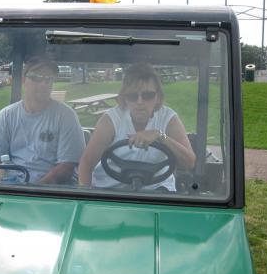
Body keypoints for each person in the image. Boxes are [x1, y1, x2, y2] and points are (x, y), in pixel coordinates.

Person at [78, 63, 196, 191]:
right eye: (133, 96)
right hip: (111, 190)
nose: (140, 102)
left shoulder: (168, 118)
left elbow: (189, 163)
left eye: (147, 95)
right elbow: (86, 164)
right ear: (125, 98)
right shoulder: (111, 120)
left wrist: (160, 136)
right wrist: (84, 197)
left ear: (158, 97)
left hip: (156, 191)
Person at [0, 56, 85, 184]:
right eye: (36, 78)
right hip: (12, 189)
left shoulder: (66, 116)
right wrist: (0, 184)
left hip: (51, 193)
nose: (44, 84)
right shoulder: (6, 116)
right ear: (23, 80)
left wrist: (32, 192)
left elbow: (66, 167)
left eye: (49, 79)